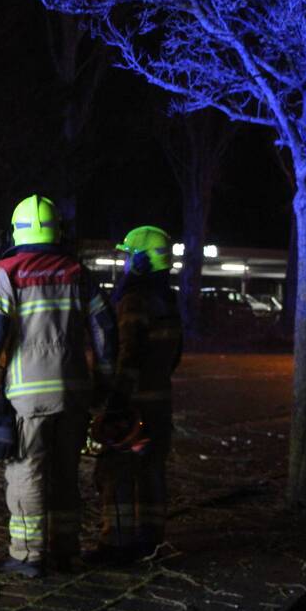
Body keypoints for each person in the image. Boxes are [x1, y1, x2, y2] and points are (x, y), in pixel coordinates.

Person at [0, 194, 117, 577]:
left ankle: (28, 555)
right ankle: (66, 551)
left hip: (26, 397)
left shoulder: (9, 274)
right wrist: (103, 380)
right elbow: (105, 329)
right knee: (66, 474)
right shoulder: (77, 273)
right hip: (73, 393)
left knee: (26, 473)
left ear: (17, 232)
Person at [91, 225, 182, 562]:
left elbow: (128, 353)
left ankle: (116, 543)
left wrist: (116, 401)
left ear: (141, 261)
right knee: (152, 471)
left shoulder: (134, 300)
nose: (126, 263)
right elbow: (174, 356)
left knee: (116, 471)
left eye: (129, 256)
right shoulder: (167, 301)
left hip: (134, 406)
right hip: (161, 402)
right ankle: (150, 539)